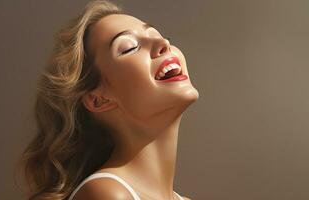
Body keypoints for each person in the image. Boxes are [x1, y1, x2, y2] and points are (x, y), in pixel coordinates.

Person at [18, 0, 198, 199]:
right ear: (98, 100)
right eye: (129, 47)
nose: (163, 43)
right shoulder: (107, 194)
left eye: (158, 35)